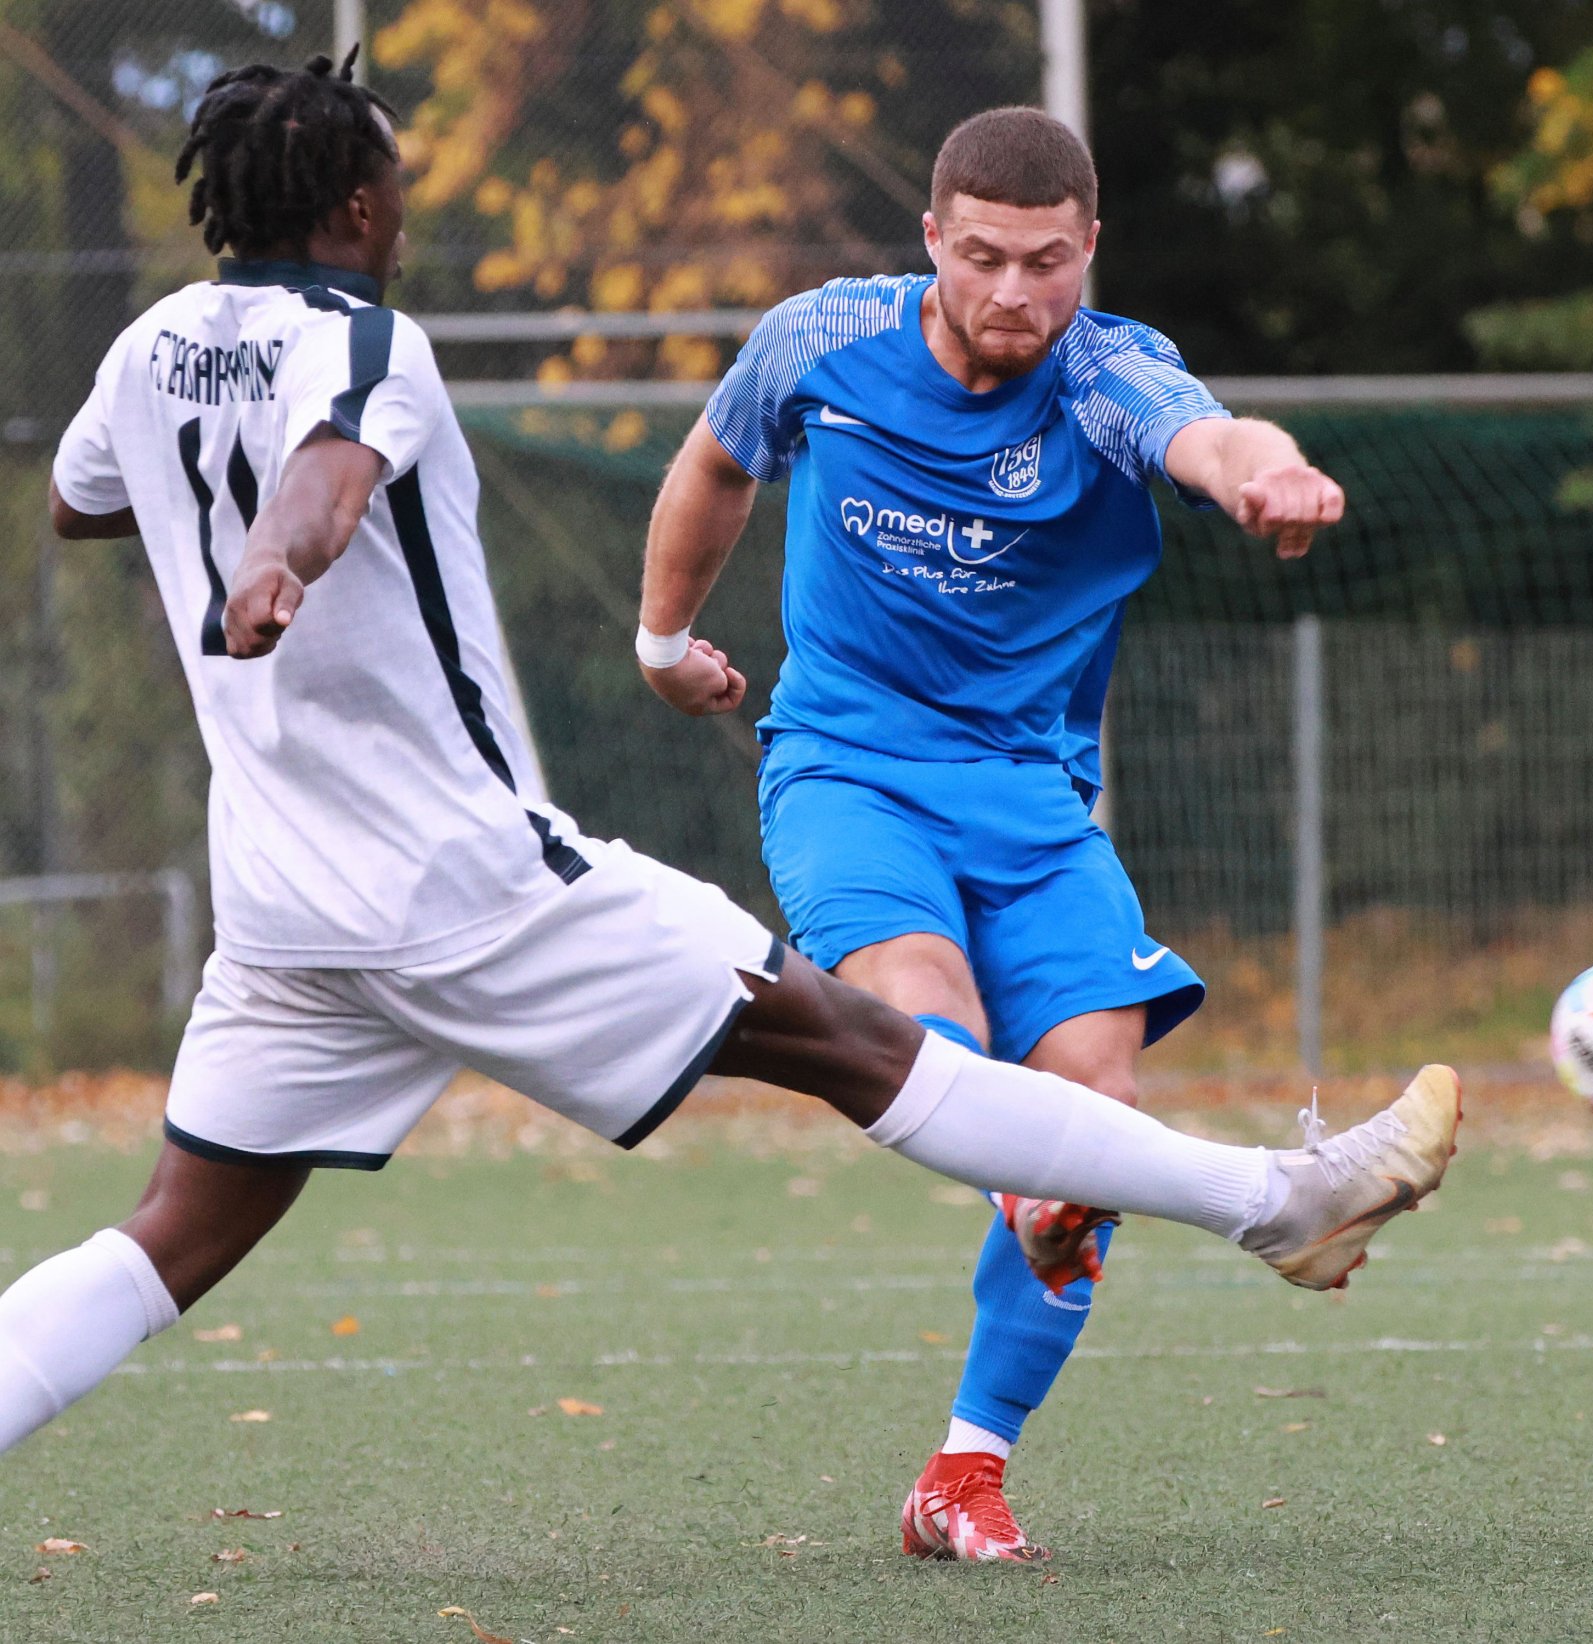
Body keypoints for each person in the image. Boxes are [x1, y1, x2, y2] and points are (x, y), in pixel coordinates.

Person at [1, 59, 1463, 1534]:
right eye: (401, 187)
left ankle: (1010, 1421)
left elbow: (79, 497)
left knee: (168, 1238)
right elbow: (324, 479)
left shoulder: (147, 349)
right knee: (862, 1043)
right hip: (468, 880)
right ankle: (1280, 1201)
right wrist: (277, 559)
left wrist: (237, 528)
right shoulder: (378, 347)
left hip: (283, 905)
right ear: (365, 204)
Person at [638, 106, 1400, 1560]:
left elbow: (1214, 436)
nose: (1012, 294)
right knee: (934, 1024)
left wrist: (1269, 478)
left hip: (1037, 803)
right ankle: (1066, 1183)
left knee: (1095, 1105)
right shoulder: (821, 342)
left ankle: (964, 1474)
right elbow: (716, 464)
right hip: (851, 770)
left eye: (1045, 262)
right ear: (931, 239)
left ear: (1088, 250)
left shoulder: (1106, 375)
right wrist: (664, 639)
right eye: (981, 257)